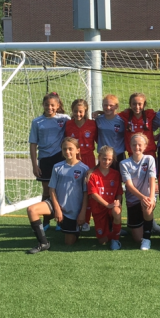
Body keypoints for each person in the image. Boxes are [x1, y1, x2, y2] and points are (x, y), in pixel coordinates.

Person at [26, 136, 89, 254]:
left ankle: (75, 230)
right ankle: (43, 242)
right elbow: (52, 189)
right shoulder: (57, 167)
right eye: (65, 149)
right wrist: (57, 208)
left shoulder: (84, 169)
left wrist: (83, 213)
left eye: (70, 149)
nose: (67, 151)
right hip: (56, 204)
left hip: (72, 211)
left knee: (69, 242)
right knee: (31, 210)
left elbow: (86, 193)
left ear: (78, 150)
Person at [29, 93, 69, 232]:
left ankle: (60, 219)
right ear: (43, 105)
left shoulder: (64, 119)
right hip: (45, 160)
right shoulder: (37, 122)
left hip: (60, 158)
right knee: (46, 190)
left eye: (53, 105)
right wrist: (34, 164)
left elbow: (78, 120)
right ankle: (46, 221)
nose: (49, 107)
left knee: (60, 190)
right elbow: (33, 144)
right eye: (47, 105)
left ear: (58, 106)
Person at [65, 98, 99, 232]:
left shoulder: (92, 124)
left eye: (80, 111)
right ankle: (73, 218)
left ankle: (86, 221)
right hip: (74, 161)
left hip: (88, 159)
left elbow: (99, 140)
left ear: (85, 111)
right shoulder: (68, 124)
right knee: (75, 190)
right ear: (72, 111)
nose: (78, 114)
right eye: (75, 111)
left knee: (88, 189)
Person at [120, 134, 157, 250]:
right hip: (133, 200)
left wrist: (151, 197)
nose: (137, 147)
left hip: (147, 198)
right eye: (134, 145)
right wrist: (142, 197)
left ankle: (147, 239)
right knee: (136, 239)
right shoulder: (124, 164)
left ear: (145, 146)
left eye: (140, 145)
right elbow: (129, 186)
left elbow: (152, 179)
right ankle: (149, 222)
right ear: (129, 146)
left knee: (147, 206)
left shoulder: (149, 159)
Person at [87, 146, 123, 250]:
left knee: (117, 211)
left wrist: (118, 202)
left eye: (109, 159)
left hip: (112, 207)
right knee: (102, 241)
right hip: (99, 208)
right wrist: (107, 204)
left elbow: (119, 192)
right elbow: (93, 194)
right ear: (99, 157)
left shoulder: (116, 174)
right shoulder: (92, 175)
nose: (106, 162)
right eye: (104, 159)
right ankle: (116, 230)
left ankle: (116, 239)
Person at [94, 96, 126, 167]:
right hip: (104, 155)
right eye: (105, 105)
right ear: (102, 105)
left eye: (111, 105)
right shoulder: (98, 119)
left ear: (116, 106)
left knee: (119, 177)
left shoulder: (122, 121)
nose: (108, 108)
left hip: (118, 155)